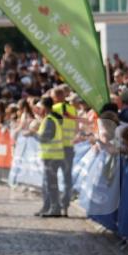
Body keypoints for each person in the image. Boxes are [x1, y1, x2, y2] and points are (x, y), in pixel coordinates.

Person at [51, 85, 78, 216]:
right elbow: (76, 129)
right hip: (69, 148)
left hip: (56, 149)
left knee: (53, 177)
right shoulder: (73, 109)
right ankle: (65, 206)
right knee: (67, 179)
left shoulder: (53, 109)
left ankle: (55, 206)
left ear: (56, 97)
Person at [35, 96, 64, 218]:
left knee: (51, 183)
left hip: (52, 156)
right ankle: (48, 207)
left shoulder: (50, 120)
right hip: (52, 155)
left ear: (44, 107)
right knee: (48, 183)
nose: (38, 109)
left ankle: (55, 209)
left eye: (39, 107)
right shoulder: (50, 118)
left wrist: (34, 133)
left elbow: (46, 137)